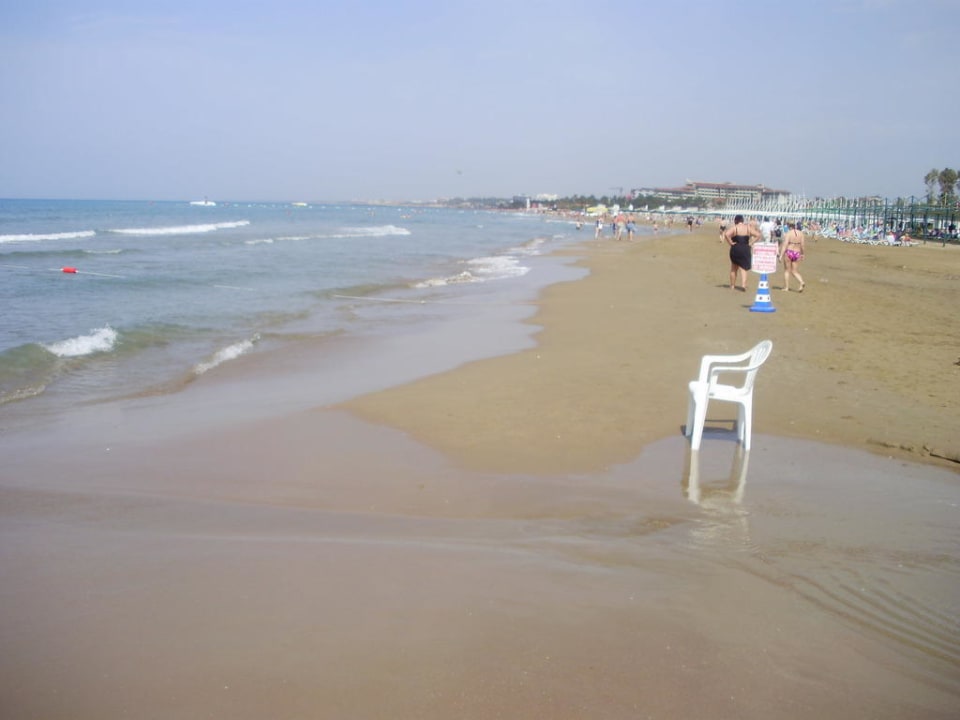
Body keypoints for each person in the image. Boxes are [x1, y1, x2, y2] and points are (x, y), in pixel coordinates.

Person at [724, 214, 759, 291]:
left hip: (736, 248)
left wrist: (730, 242)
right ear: (742, 220)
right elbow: (758, 235)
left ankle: (732, 286)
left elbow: (726, 234)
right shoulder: (748, 228)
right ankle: (743, 285)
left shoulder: (734, 227)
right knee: (744, 268)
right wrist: (751, 243)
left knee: (734, 268)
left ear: (736, 221)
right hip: (745, 248)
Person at [779, 221, 806, 292]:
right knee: (794, 271)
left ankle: (786, 287)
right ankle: (801, 282)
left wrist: (781, 255)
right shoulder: (801, 233)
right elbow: (802, 245)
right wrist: (803, 254)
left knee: (787, 271)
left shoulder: (788, 233)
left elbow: (785, 245)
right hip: (797, 252)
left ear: (789, 226)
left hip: (789, 251)